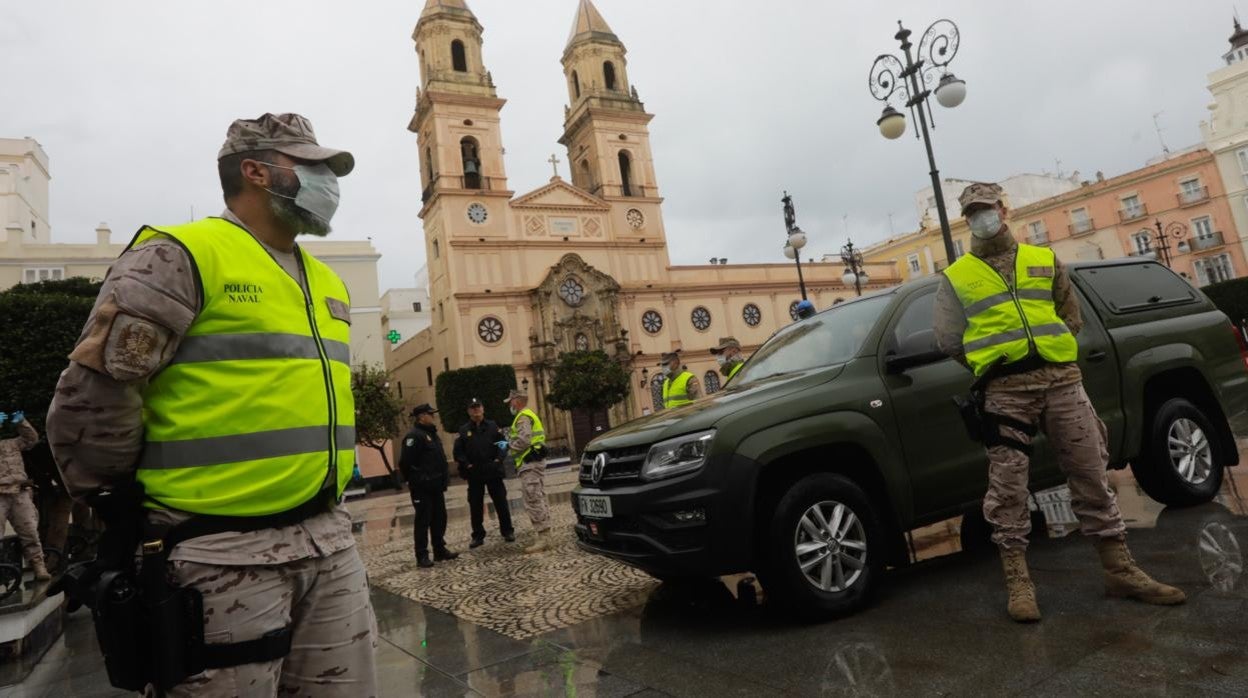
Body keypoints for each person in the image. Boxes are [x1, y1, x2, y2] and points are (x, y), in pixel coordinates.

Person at [46, 112, 377, 694]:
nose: (330, 183)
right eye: (313, 167)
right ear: (256, 172)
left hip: (329, 540)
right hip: (218, 555)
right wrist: (125, 513)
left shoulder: (327, 280)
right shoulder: (179, 255)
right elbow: (93, 398)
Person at [933, 181, 1185, 623]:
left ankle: (1119, 569)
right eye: (973, 213)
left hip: (1061, 382)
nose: (982, 218)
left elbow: (1070, 315)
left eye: (987, 209)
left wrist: (1048, 351)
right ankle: (1019, 581)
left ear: (1002, 209)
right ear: (966, 220)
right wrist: (995, 362)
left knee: (1090, 469)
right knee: (1008, 486)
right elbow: (950, 339)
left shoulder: (1043, 259)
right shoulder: (957, 277)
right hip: (1006, 391)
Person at [400, 403, 459, 568]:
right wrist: (416, 479)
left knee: (440, 518)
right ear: (422, 417)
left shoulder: (432, 434)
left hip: (436, 485)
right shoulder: (414, 436)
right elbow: (405, 462)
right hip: (422, 487)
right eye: (430, 414)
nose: (433, 417)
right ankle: (422, 555)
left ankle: (439, 549)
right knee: (423, 521)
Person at [453, 398, 515, 548]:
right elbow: (458, 452)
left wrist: (498, 460)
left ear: (483, 408)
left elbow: (503, 444)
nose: (476, 410)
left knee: (501, 502)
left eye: (478, 407)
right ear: (468, 411)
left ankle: (507, 531)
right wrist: (467, 464)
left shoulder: (493, 426)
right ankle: (478, 535)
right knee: (475, 505)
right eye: (472, 408)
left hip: (493, 471)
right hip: (474, 473)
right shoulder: (463, 430)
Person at [0, 411, 50, 581]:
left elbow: (31, 439)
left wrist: (21, 422)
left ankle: (39, 566)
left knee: (30, 532)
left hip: (19, 493)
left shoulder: (12, 443)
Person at [503, 389, 552, 554]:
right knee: (538, 496)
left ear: (516, 401)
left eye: (510, 401)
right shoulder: (529, 414)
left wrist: (508, 445)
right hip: (533, 462)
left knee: (533, 498)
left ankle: (543, 538)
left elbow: (524, 440)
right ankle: (546, 534)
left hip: (529, 463)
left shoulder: (522, 417)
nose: (510, 405)